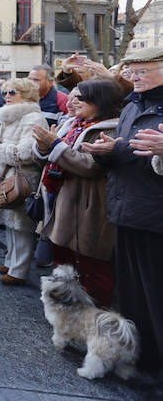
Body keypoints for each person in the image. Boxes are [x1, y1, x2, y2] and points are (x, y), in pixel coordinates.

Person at [82, 46, 163, 376]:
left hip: (154, 216)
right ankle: (141, 361)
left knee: (155, 296)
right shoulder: (133, 104)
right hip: (127, 208)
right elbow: (127, 149)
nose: (135, 77)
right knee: (132, 297)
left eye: (144, 71)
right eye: (133, 71)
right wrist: (106, 151)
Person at [32, 79, 122, 308]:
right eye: (73, 96)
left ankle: (95, 321)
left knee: (93, 268)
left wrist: (54, 146)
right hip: (62, 199)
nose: (74, 102)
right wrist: (44, 147)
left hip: (92, 206)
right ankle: (67, 315)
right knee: (64, 262)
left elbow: (91, 166)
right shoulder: (74, 122)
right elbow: (47, 157)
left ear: (100, 101)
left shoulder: (112, 128)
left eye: (81, 98)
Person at [0, 77, 46, 286]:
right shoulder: (7, 117)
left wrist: (0, 149)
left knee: (22, 225)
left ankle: (19, 270)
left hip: (23, 176)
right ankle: (10, 262)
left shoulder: (32, 117)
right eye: (5, 92)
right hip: (7, 174)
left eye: (13, 92)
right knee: (10, 222)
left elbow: (26, 153)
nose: (7, 96)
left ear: (27, 94)